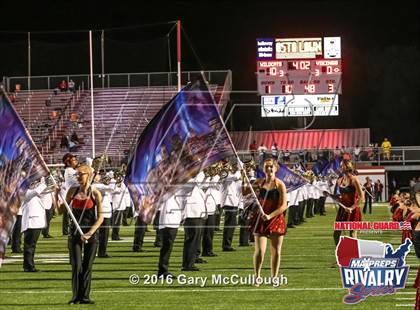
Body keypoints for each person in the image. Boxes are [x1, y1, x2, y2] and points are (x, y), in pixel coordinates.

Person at [65, 164, 103, 305]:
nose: (78, 176)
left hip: (91, 235)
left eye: (81, 174)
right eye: (77, 174)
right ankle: (76, 296)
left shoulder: (95, 193)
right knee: (76, 265)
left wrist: (89, 233)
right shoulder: (72, 191)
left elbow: (100, 218)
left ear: (88, 175)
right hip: (74, 234)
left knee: (87, 266)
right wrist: (57, 195)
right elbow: (60, 210)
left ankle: (85, 296)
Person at [247, 158, 288, 283]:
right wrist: (244, 177)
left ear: (276, 168)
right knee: (260, 251)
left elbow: (283, 206)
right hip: (261, 219)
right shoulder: (259, 182)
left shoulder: (280, 184)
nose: (269, 169)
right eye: (266, 166)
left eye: (271, 166)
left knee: (276, 251)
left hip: (275, 219)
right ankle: (257, 276)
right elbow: (244, 191)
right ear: (263, 168)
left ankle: (274, 278)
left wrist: (270, 216)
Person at [333, 159, 364, 246]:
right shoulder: (339, 180)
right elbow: (338, 197)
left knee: (352, 234)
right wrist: (328, 194)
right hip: (342, 210)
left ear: (347, 166)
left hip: (353, 210)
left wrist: (352, 208)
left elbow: (362, 197)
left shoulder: (354, 180)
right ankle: (340, 256)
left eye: (341, 165)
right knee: (336, 234)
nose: (339, 167)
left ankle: (353, 257)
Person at [21, 179, 48, 272]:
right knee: (29, 246)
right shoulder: (24, 192)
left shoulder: (30, 192)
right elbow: (35, 191)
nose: (33, 184)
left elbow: (42, 194)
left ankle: (29, 265)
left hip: (35, 222)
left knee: (31, 245)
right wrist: (44, 184)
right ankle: (28, 266)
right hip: (31, 222)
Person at [61, 153, 79, 235]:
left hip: (76, 198)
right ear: (68, 163)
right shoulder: (69, 171)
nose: (76, 161)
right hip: (73, 198)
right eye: (74, 160)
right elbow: (81, 182)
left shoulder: (73, 171)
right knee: (76, 224)